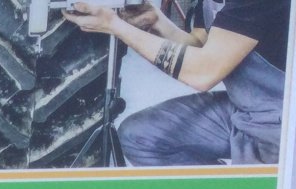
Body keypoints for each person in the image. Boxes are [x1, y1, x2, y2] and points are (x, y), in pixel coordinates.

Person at [65, 0, 289, 164]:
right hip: (244, 109)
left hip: (282, 120)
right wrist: (157, 22)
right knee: (140, 136)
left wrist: (117, 27)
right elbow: (202, 45)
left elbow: (203, 73)